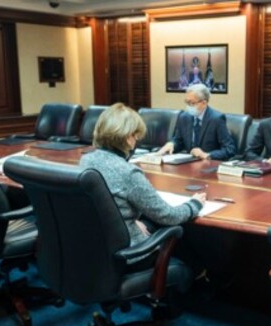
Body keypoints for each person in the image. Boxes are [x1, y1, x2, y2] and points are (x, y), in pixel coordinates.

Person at [80, 103, 206, 265]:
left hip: (95, 247)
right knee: (187, 250)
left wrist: (127, 222)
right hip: (128, 255)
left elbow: (103, 205)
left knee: (149, 223)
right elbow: (168, 215)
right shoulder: (128, 172)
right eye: (135, 135)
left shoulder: (86, 160)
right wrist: (194, 204)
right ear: (127, 137)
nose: (136, 140)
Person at [157, 84, 236, 161]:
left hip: (208, 166)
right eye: (187, 102)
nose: (188, 106)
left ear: (204, 103)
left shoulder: (216, 119)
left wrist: (207, 155)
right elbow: (179, 140)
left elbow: (230, 149)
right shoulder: (184, 117)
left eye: (192, 103)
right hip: (187, 165)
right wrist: (172, 144)